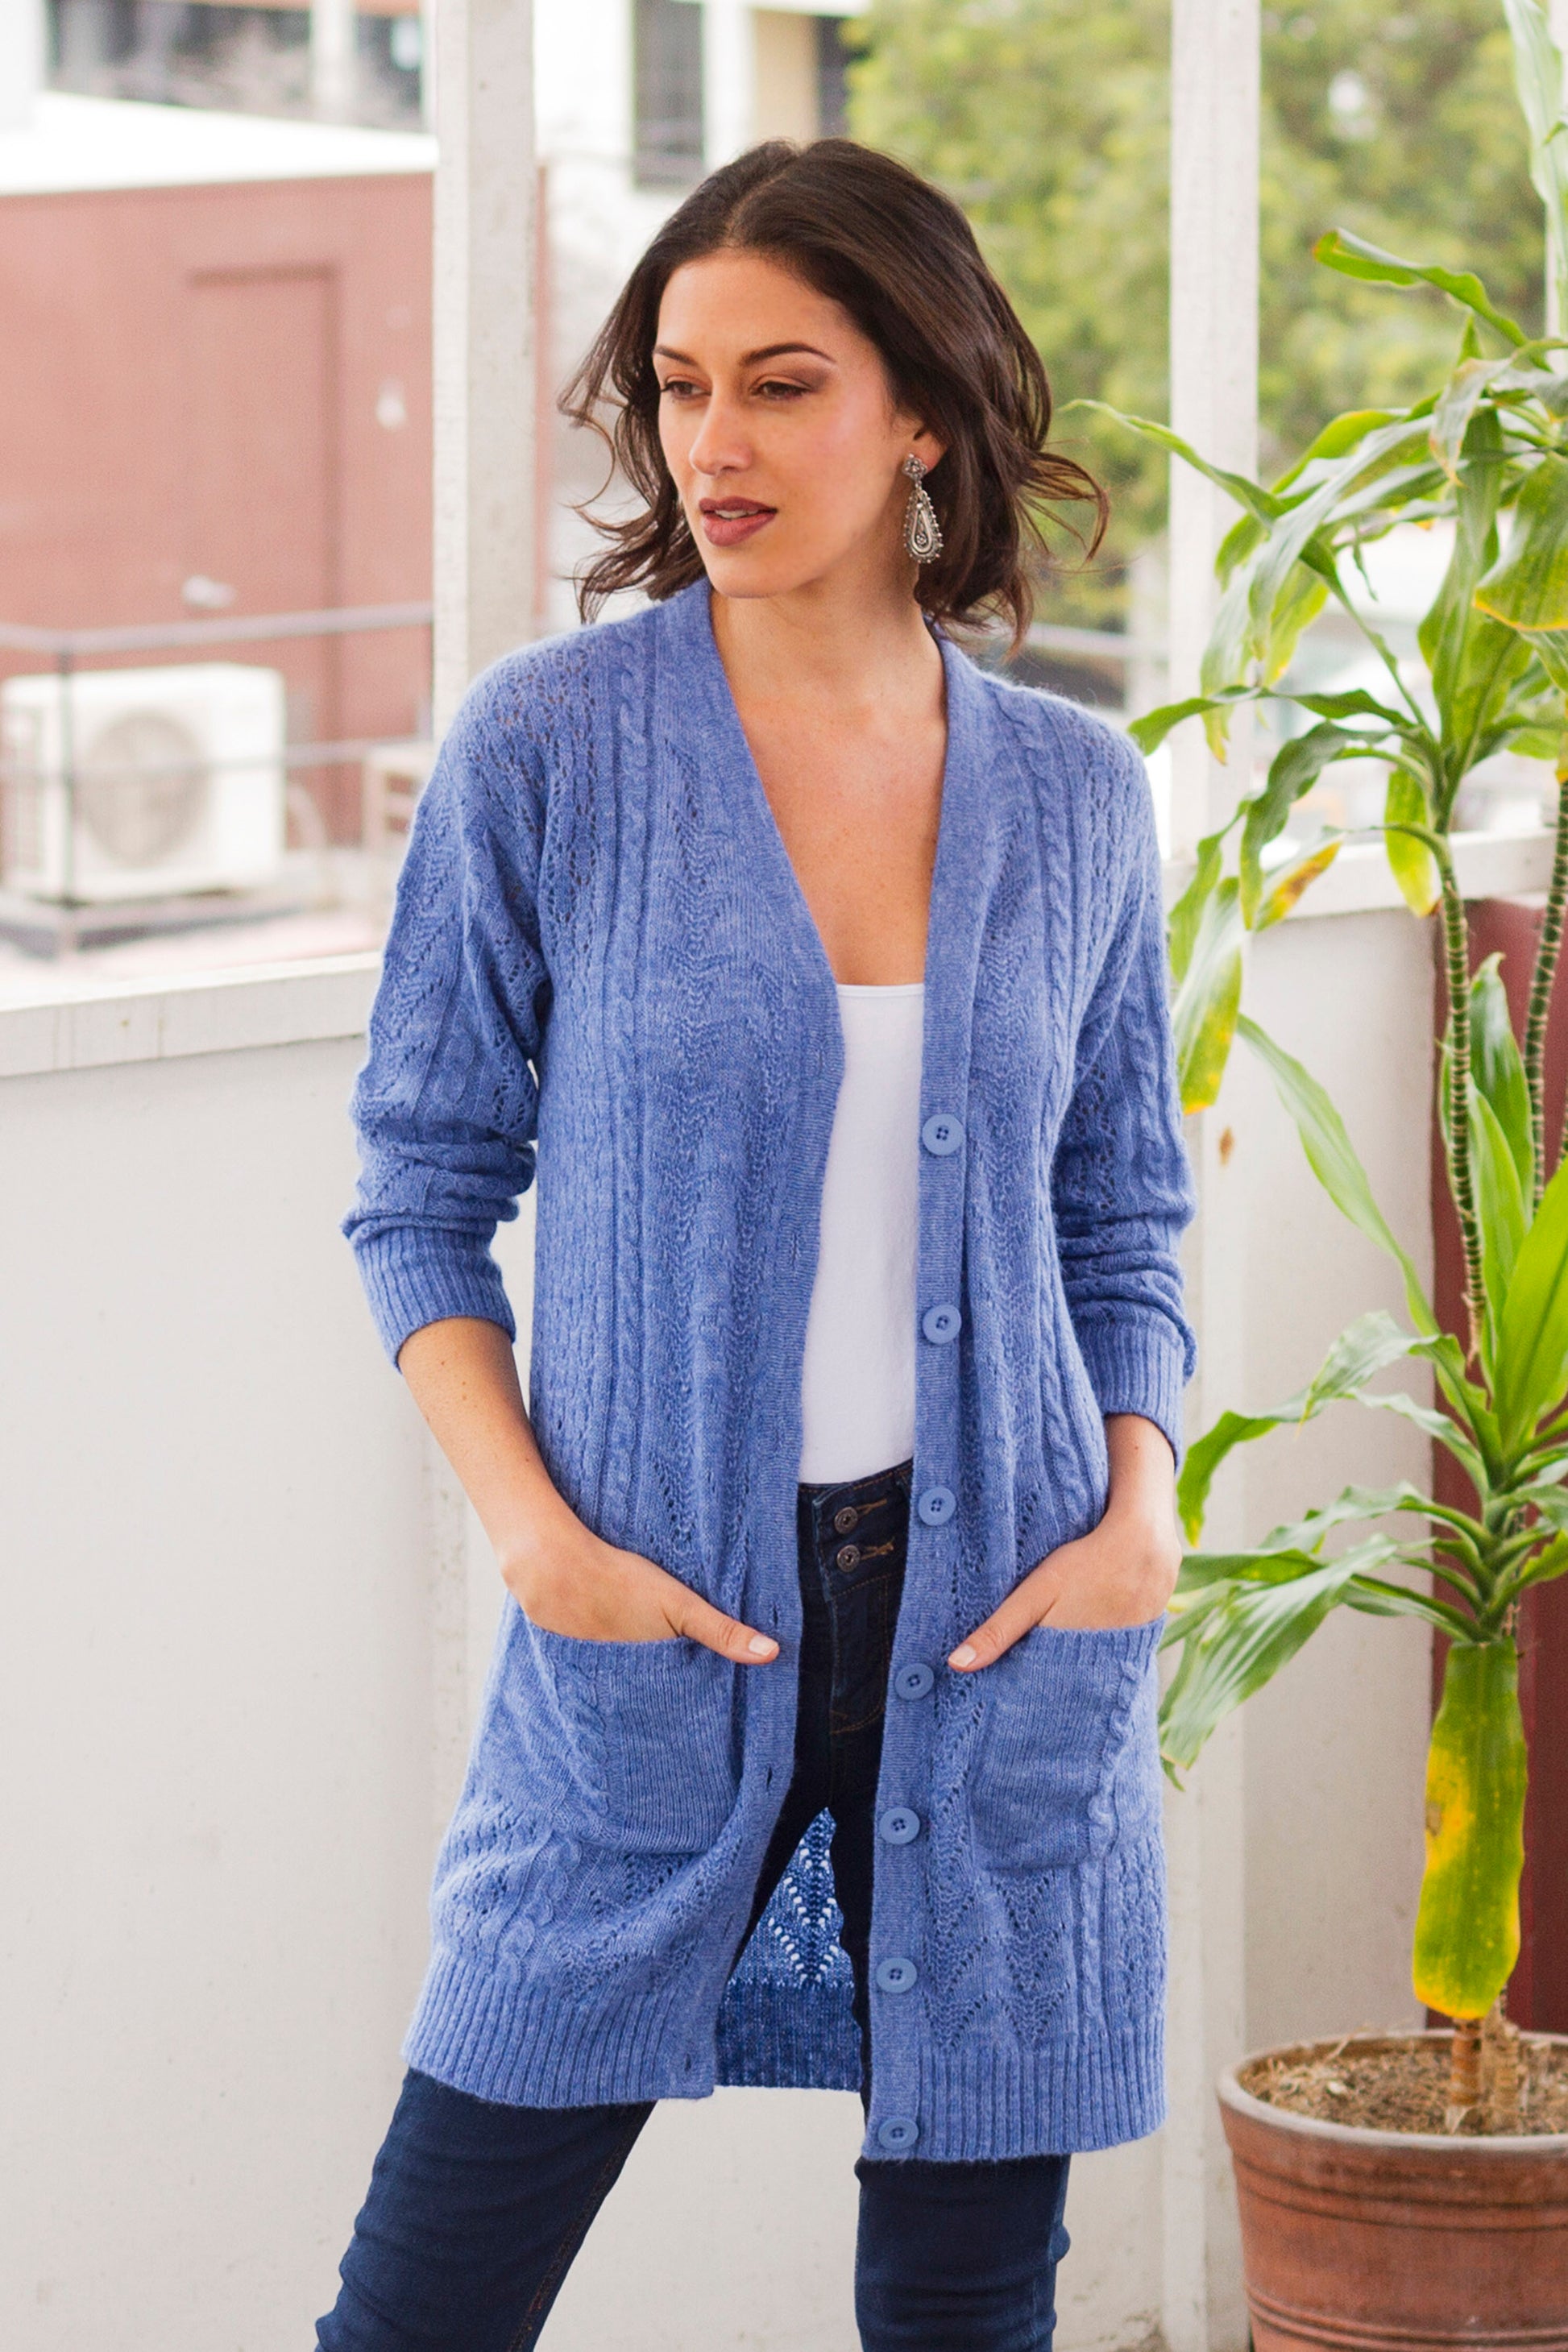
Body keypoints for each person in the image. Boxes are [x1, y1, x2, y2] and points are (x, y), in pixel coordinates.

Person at [322, 137, 1195, 2352]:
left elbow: (1122, 1205)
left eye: (782, 385)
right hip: (655, 1612)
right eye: (681, 386)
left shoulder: (1078, 794)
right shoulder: (553, 749)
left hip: (1000, 1619)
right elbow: (420, 1186)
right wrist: (539, 1545)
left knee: (966, 2309)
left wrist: (1140, 1508)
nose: (712, 443)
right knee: (425, 2304)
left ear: (923, 414)